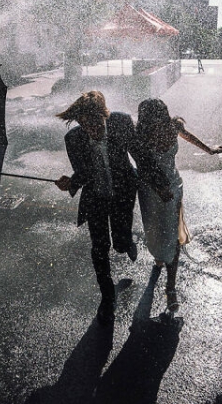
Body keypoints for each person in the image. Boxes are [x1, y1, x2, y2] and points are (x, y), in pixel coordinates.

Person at [55, 91, 168, 325]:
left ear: (104, 115)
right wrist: (71, 182)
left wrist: (161, 184)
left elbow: (141, 157)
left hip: (123, 194)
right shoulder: (73, 139)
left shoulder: (121, 123)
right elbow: (83, 172)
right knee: (99, 247)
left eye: (96, 123)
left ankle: (127, 242)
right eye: (86, 125)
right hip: (95, 198)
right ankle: (107, 298)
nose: (92, 129)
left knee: (118, 243)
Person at [135, 98, 222, 313]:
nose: (159, 122)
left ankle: (170, 287)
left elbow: (187, 136)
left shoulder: (173, 126)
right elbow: (141, 165)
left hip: (173, 187)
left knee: (173, 233)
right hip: (149, 190)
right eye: (154, 118)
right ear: (146, 120)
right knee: (154, 229)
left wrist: (209, 149)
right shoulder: (139, 135)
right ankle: (159, 257)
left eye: (161, 115)